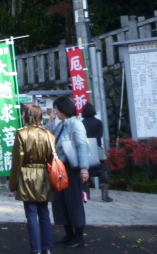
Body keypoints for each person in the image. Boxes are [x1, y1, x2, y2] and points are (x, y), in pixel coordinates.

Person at [9, 103, 53, 254]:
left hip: (27, 174)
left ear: (27, 116)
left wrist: (13, 184)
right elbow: (53, 158)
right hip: (44, 175)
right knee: (44, 213)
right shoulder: (48, 134)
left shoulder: (21, 133)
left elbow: (16, 162)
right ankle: (46, 248)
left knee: (31, 214)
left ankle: (36, 249)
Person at [46, 95, 89, 249]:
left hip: (72, 168)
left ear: (64, 109)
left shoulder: (76, 124)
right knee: (60, 202)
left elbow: (81, 146)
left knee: (73, 202)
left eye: (57, 110)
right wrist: (50, 121)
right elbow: (48, 136)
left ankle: (78, 237)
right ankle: (69, 234)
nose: (55, 112)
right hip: (60, 168)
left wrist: (84, 168)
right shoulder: (62, 124)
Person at [81, 103, 113, 203]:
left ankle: (86, 196)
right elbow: (99, 136)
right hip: (97, 148)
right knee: (102, 170)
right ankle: (104, 195)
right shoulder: (99, 122)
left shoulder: (82, 123)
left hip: (86, 149)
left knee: (86, 170)